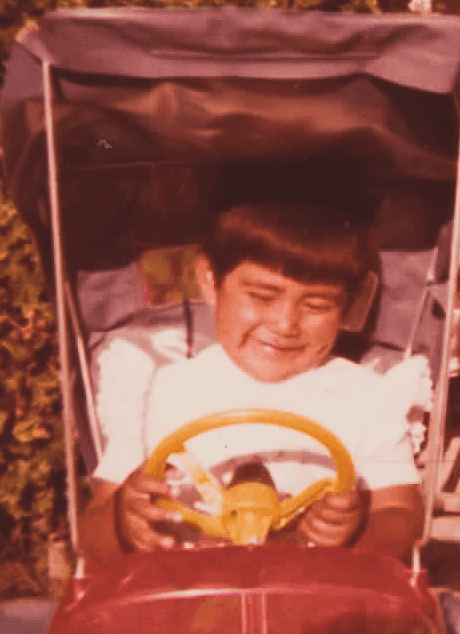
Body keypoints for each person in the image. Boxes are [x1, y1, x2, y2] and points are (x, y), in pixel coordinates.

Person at [79, 201, 428, 560]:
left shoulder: (366, 396)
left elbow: (401, 514)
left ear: (347, 308)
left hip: (315, 597)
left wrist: (355, 532)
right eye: (262, 297)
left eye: (317, 306)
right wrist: (123, 520)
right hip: (182, 598)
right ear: (210, 282)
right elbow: (91, 537)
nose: (285, 324)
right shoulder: (157, 391)